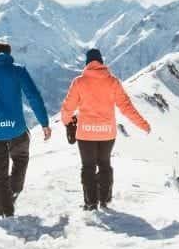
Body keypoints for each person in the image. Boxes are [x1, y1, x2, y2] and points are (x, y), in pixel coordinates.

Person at [61, 48, 151, 211]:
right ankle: (105, 199)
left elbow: (68, 107)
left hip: (86, 134)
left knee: (88, 166)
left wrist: (67, 122)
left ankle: (90, 203)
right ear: (101, 62)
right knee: (104, 164)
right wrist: (143, 124)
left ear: (87, 63)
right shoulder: (113, 82)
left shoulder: (79, 82)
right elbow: (126, 107)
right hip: (107, 133)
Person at [0, 41, 51, 217]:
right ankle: (14, 190)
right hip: (17, 131)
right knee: (21, 159)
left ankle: (6, 215)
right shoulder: (18, 71)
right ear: (9, 54)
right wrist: (44, 123)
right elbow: (34, 97)